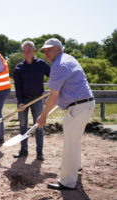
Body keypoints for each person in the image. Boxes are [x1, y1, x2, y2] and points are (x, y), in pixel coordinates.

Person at [36, 38, 95, 190]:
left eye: (49, 49)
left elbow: (54, 95)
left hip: (79, 107)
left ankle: (67, 182)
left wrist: (43, 116)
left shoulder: (58, 65)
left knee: (70, 144)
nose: (46, 53)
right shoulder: (69, 58)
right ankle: (76, 167)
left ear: (58, 49)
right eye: (44, 50)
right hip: (85, 104)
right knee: (74, 141)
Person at [13, 41, 50, 160]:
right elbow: (17, 87)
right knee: (23, 125)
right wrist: (20, 101)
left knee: (39, 124)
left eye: (29, 50)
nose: (26, 53)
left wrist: (57, 87)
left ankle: (39, 152)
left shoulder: (41, 64)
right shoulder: (19, 68)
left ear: (34, 51)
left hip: (37, 99)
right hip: (23, 100)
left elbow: (53, 75)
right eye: (24, 51)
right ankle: (23, 150)